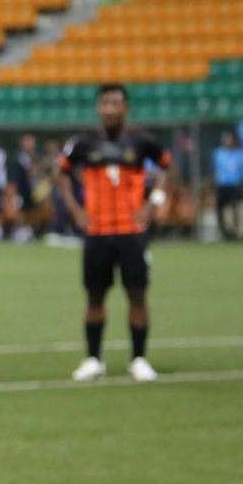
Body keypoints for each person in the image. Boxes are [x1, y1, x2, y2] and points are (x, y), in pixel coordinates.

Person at [56, 83, 171, 383]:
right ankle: (94, 359)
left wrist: (153, 203)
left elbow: (167, 168)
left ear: (126, 108)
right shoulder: (83, 143)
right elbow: (62, 174)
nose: (110, 109)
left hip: (132, 232)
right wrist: (75, 210)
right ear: (98, 107)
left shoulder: (142, 141)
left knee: (137, 296)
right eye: (106, 103)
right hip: (97, 232)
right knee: (94, 298)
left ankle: (139, 360)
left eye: (116, 103)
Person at [212, 131, 243, 240]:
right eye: (226, 139)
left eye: (229, 139)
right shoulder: (218, 154)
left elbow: (241, 171)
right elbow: (215, 170)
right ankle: (224, 232)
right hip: (222, 185)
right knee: (218, 209)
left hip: (234, 185)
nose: (228, 141)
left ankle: (235, 231)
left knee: (234, 209)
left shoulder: (238, 154)